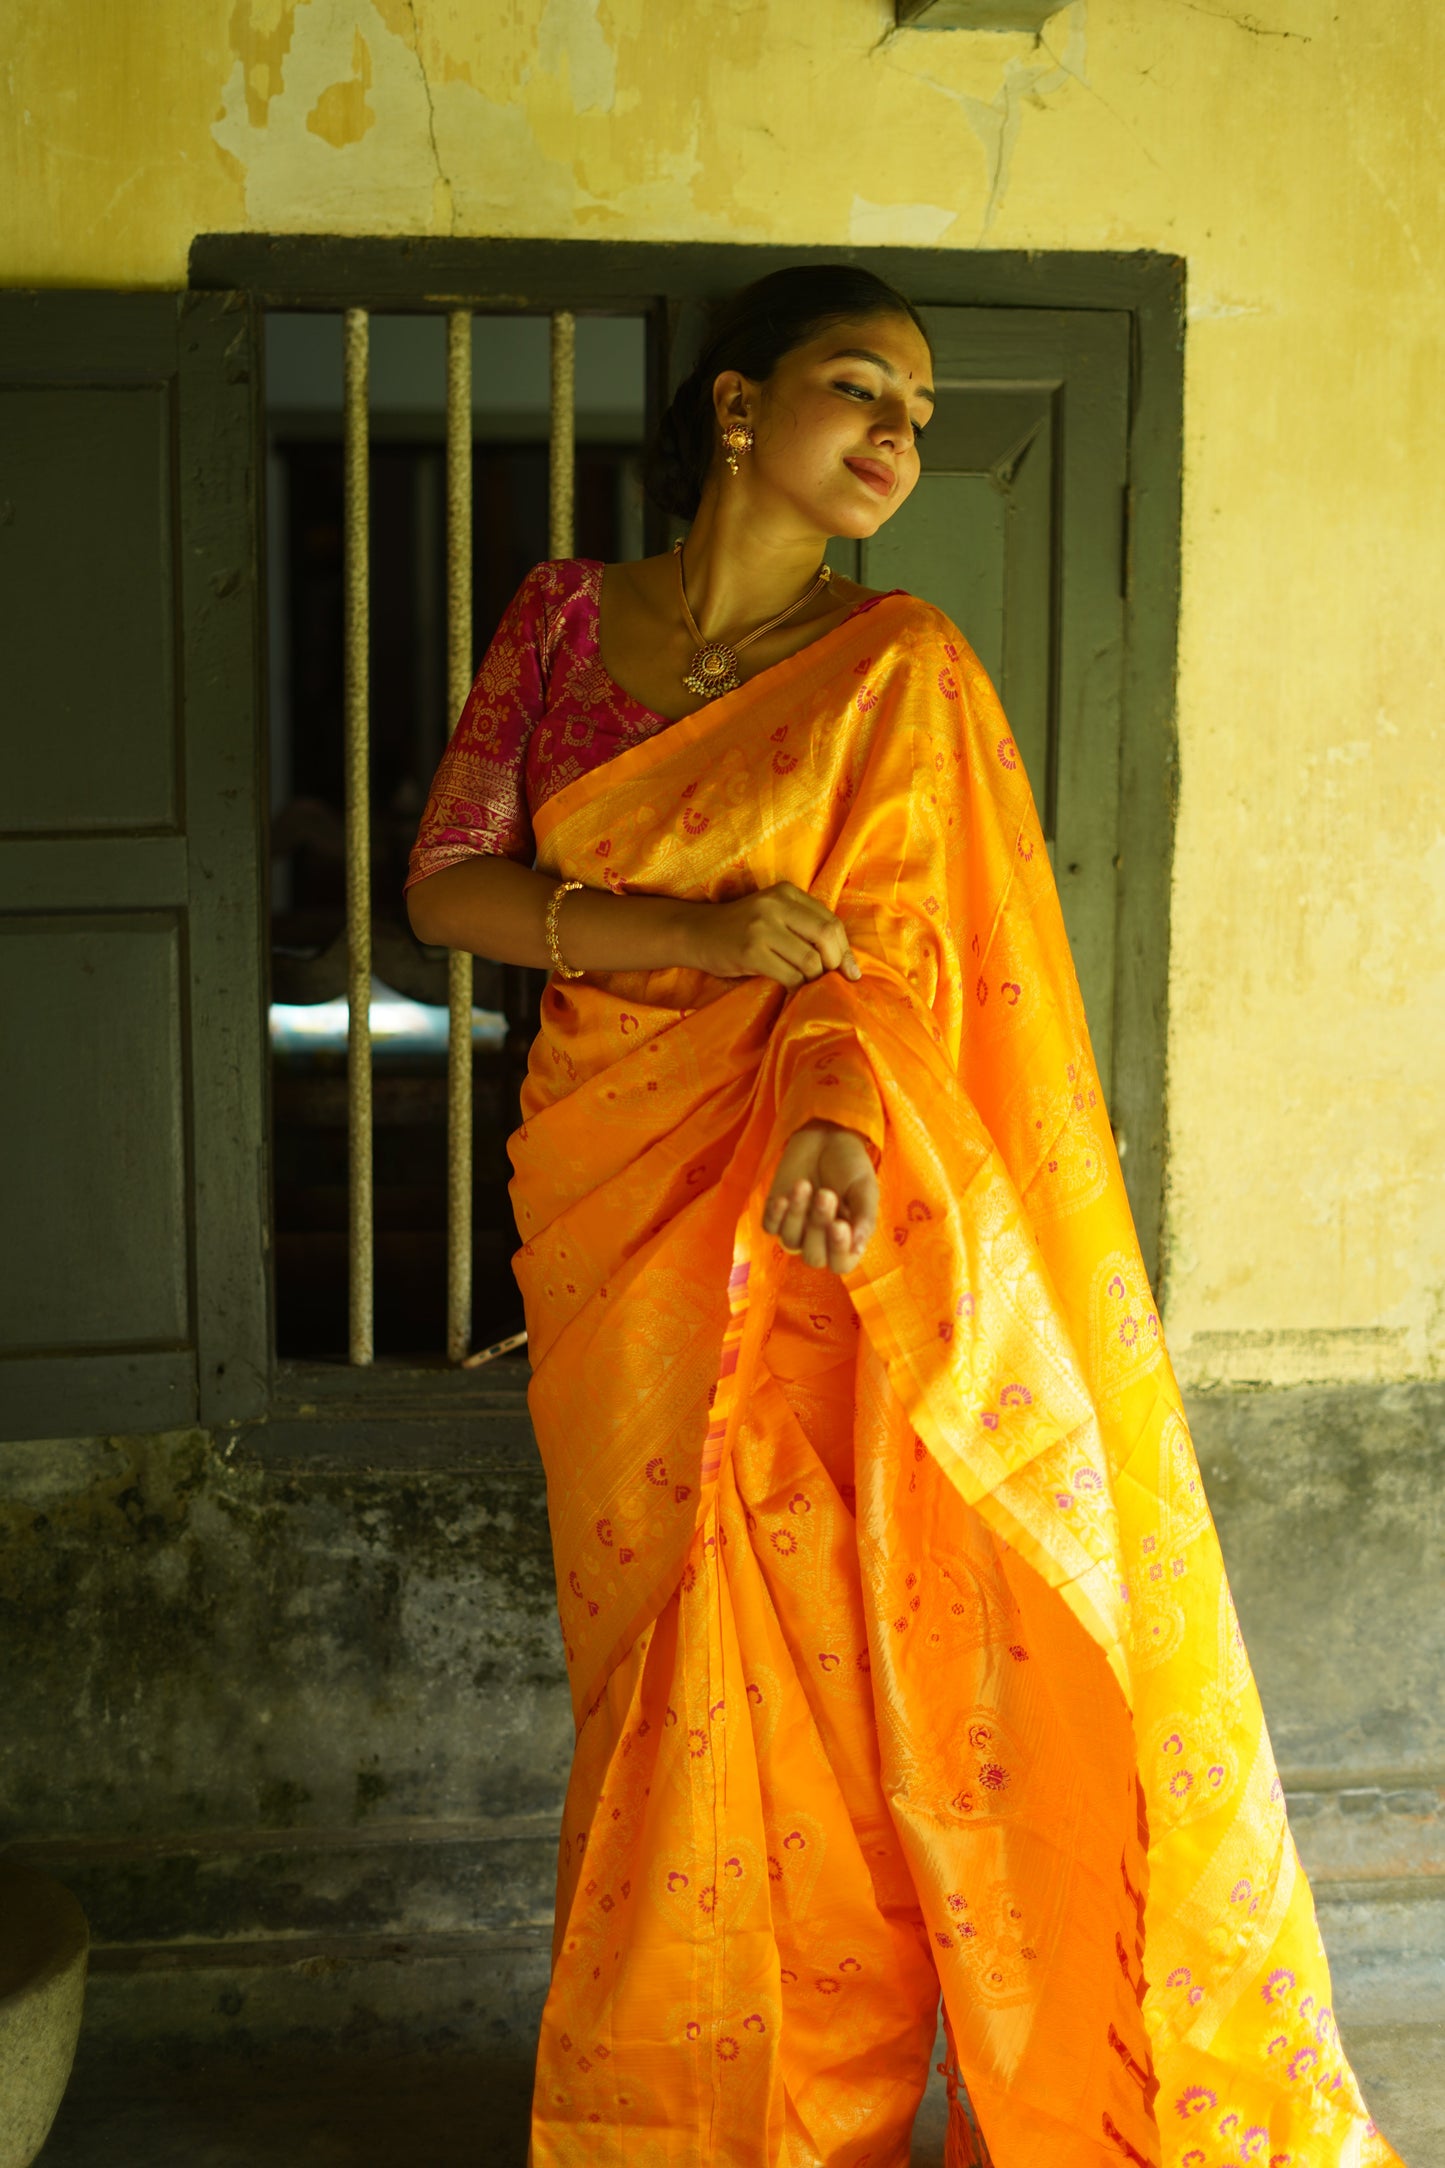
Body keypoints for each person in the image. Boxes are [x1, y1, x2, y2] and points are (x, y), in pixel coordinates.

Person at [407, 266, 1402, 2168]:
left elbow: (907, 957)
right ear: (729, 407)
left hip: (823, 1209)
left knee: (852, 1679)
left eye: (922, 418)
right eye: (860, 389)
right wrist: (687, 936)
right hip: (614, 1193)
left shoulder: (901, 668)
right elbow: (450, 884)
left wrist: (845, 1113)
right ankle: (685, 2112)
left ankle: (845, 2108)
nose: (896, 439)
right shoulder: (561, 621)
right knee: (660, 1675)